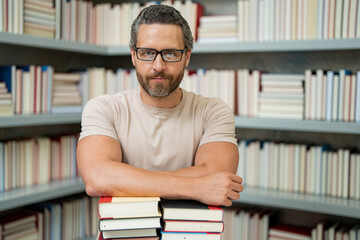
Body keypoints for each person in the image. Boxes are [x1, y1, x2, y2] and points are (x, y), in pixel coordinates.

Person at [76, 4, 243, 207]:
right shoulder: (104, 109)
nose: (158, 66)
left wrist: (126, 180)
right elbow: (97, 178)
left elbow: (218, 176)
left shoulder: (213, 112)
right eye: (147, 53)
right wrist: (194, 186)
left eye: (171, 53)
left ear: (187, 57)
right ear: (133, 55)